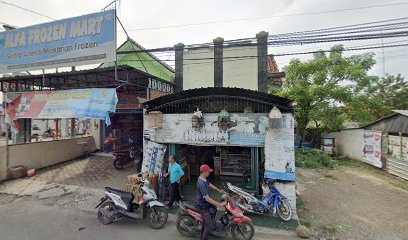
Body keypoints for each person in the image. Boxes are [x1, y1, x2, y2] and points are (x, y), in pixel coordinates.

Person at [196, 164, 226, 240]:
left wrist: (219, 190)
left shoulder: (203, 179)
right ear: (204, 172)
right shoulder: (201, 183)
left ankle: (209, 221)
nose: (209, 173)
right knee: (208, 226)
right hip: (202, 206)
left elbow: (209, 184)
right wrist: (220, 204)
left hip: (206, 204)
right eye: (208, 171)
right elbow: (207, 199)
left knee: (214, 208)